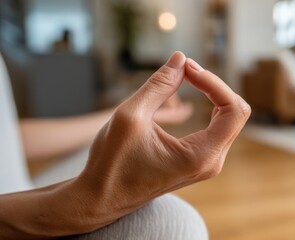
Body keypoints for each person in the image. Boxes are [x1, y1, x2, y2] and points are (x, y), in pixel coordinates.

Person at [0, 51, 251, 239]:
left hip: (16, 187)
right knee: (173, 224)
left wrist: (121, 115)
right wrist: (68, 208)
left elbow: (8, 138)